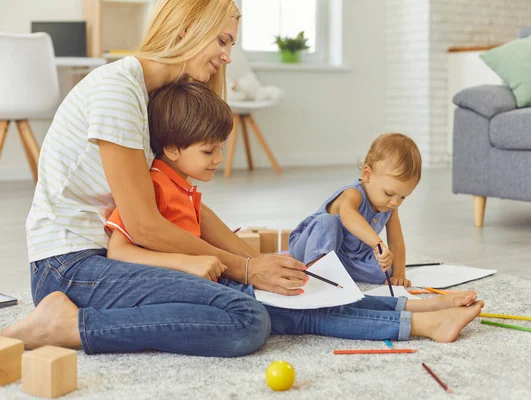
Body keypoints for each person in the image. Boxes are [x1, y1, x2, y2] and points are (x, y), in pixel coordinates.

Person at [0, 0, 305, 357]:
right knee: (245, 318)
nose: (228, 56)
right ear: (186, 30)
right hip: (68, 267)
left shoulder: (156, 97)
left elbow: (187, 203)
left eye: (231, 44)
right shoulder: (118, 90)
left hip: (116, 258)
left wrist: (255, 261)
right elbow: (143, 225)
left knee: (240, 293)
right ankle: (65, 325)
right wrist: (247, 268)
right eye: (222, 41)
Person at [104, 78, 485, 346]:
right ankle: (419, 324)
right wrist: (189, 265)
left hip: (223, 282)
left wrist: (257, 262)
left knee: (316, 293)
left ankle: (420, 306)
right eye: (209, 151)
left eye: (220, 148)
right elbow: (119, 252)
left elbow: (216, 242)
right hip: (203, 291)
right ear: (171, 148)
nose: (219, 160)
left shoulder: (183, 189)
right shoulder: (150, 187)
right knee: (307, 315)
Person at [289, 134, 421, 287]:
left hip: (346, 255)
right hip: (312, 244)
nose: (395, 202)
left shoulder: (390, 207)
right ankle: (316, 273)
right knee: (327, 221)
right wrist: (378, 244)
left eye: (403, 197)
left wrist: (399, 274)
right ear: (367, 175)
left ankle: (335, 270)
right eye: (389, 194)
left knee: (382, 271)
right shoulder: (353, 194)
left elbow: (396, 241)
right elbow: (348, 216)